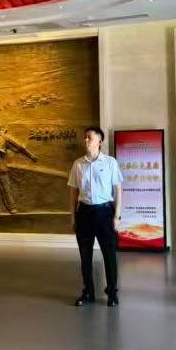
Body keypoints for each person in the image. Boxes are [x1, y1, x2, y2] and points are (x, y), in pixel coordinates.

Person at [67, 126, 123, 307]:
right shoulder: (78, 164)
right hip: (84, 213)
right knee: (85, 256)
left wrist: (117, 216)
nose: (86, 140)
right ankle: (88, 292)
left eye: (89, 137)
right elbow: (73, 192)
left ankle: (112, 292)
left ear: (99, 141)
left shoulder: (110, 163)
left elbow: (118, 189)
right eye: (85, 137)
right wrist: (73, 216)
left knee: (109, 255)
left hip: (105, 212)